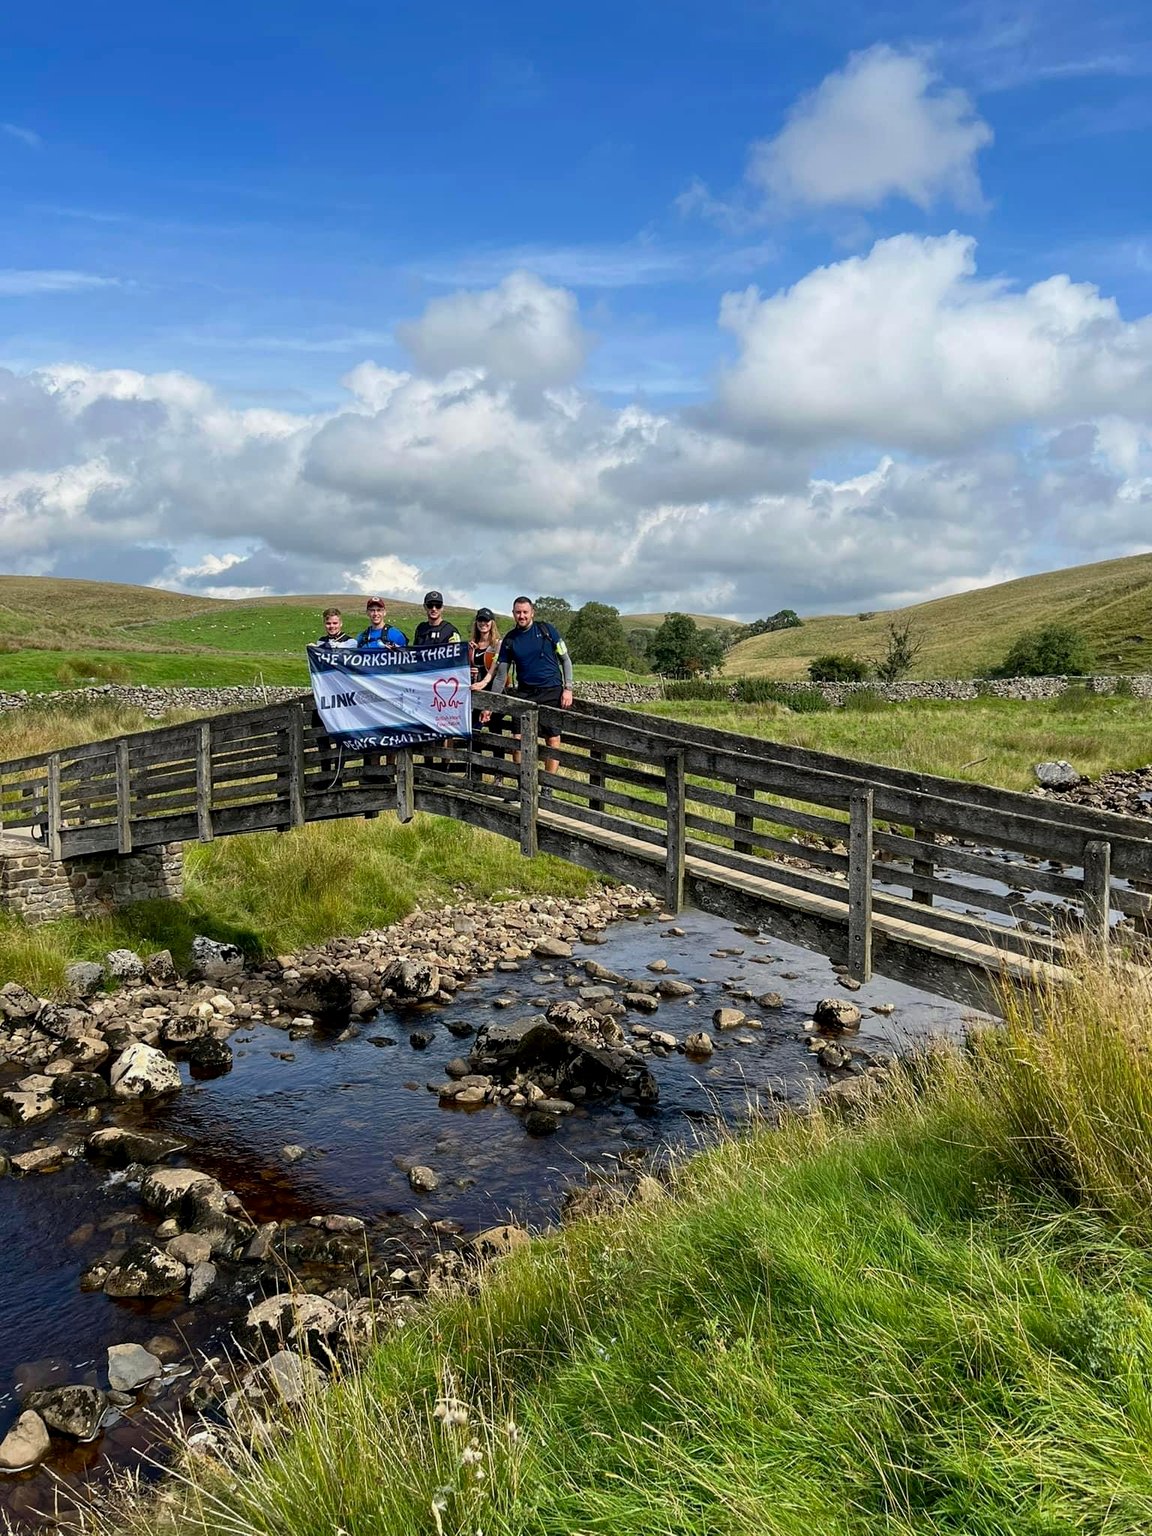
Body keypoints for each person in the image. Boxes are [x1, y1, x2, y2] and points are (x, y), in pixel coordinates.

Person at [488, 596, 573, 778]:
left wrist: (568, 688)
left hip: (551, 691)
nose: (522, 616)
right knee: (518, 740)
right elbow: (501, 676)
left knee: (552, 739)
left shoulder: (547, 630)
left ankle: (548, 785)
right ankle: (522, 784)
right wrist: (490, 704)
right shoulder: (510, 640)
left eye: (525, 612)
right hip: (524, 693)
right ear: (513, 613)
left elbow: (565, 660)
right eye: (518, 612)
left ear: (532, 612)